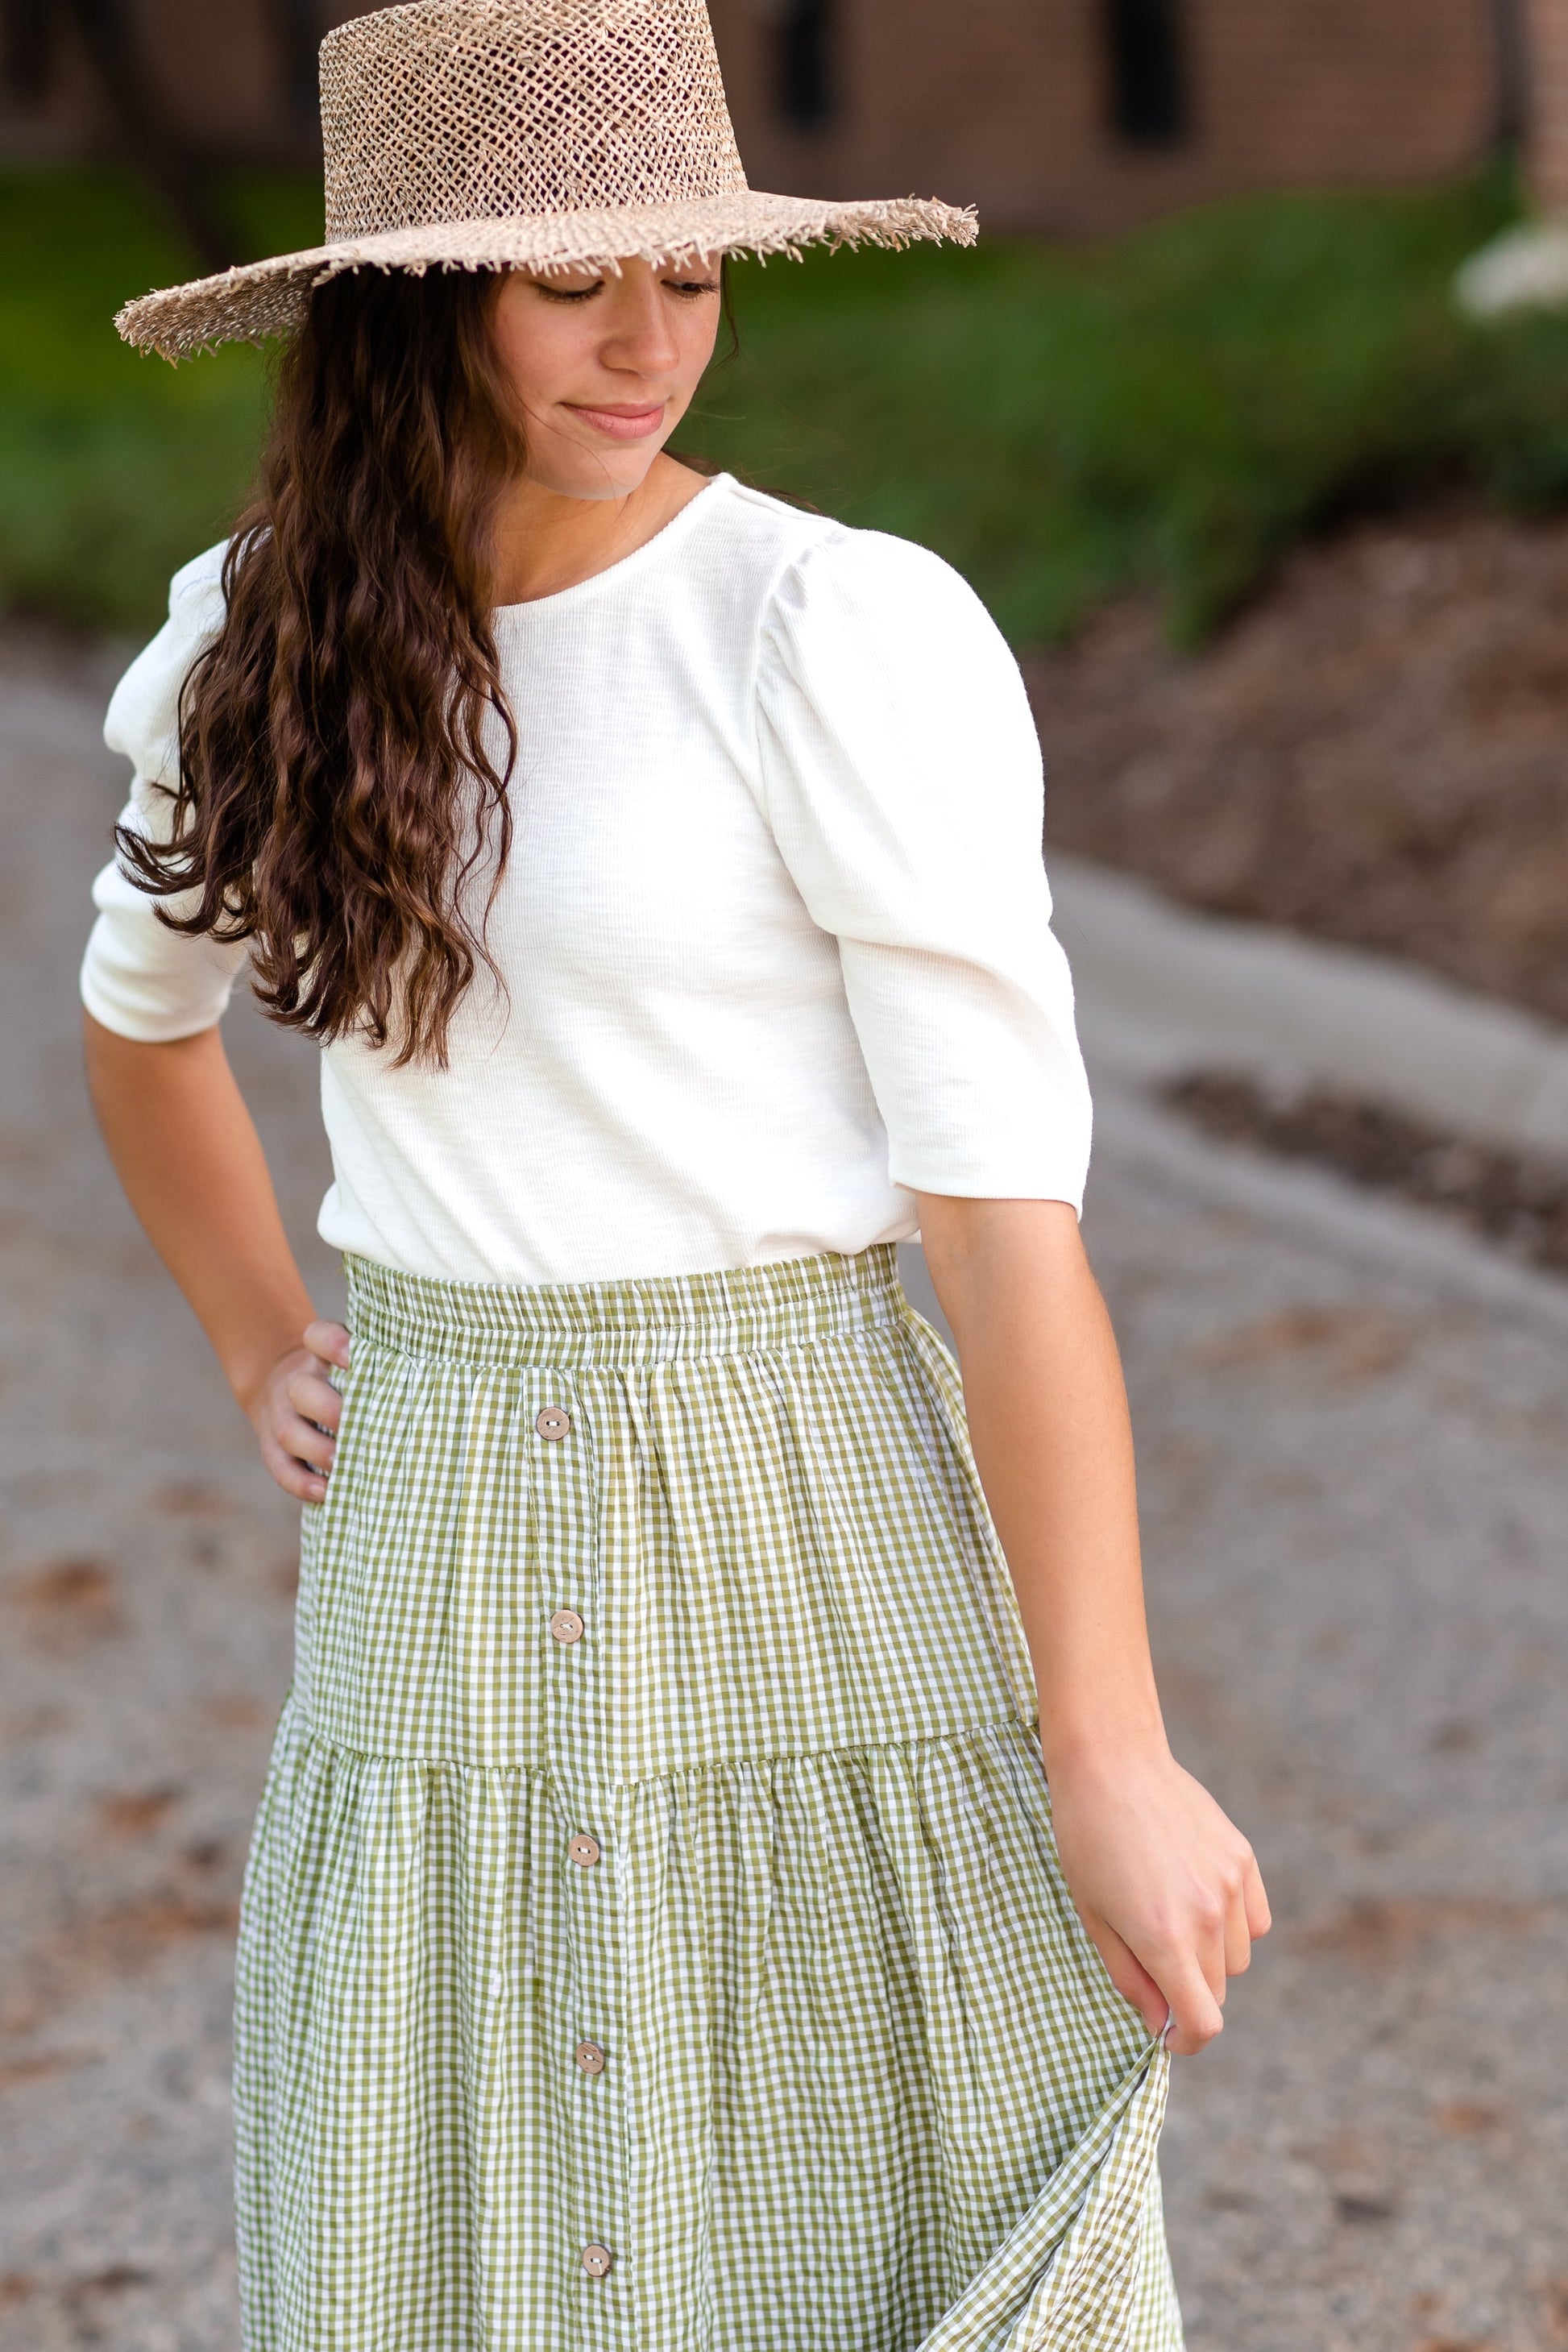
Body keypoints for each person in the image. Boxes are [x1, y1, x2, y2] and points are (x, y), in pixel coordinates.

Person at [83, 2, 1268, 2346]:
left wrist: (1105, 1746)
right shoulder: (260, 638)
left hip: (809, 1493)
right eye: (573, 281)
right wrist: (257, 1348)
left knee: (888, 2199)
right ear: (417, 303)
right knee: (452, 2225)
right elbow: (141, 1026)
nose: (651, 343)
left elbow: (1007, 1246)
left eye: (692, 273)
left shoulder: (824, 630)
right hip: (431, 1525)